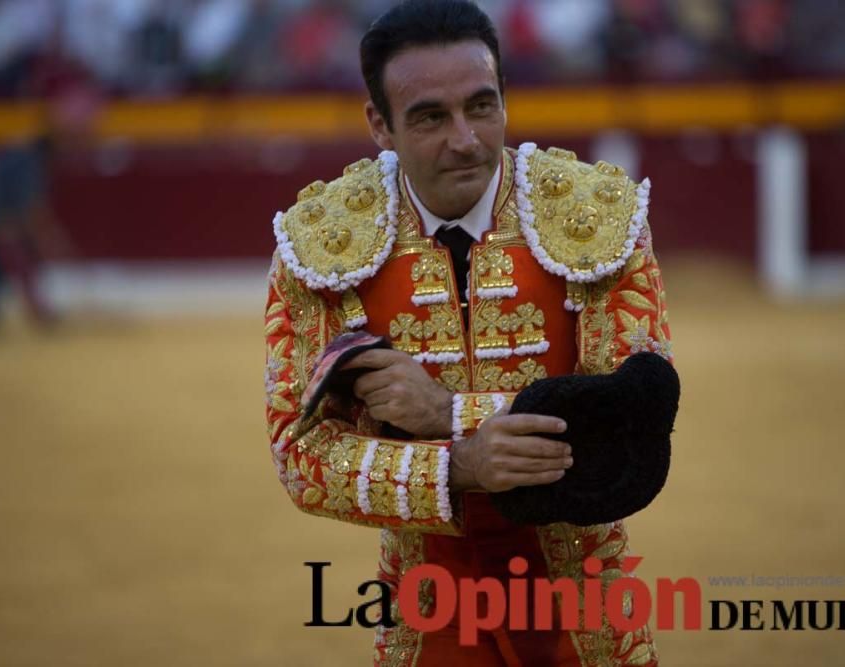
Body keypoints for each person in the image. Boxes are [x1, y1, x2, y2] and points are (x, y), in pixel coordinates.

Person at [264, 1, 672, 664]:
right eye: (430, 116)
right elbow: (302, 457)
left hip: (586, 609)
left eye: (482, 105)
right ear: (380, 125)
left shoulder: (596, 214)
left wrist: (446, 413)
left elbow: (634, 430)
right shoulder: (322, 245)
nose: (467, 138)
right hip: (431, 610)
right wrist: (460, 464)